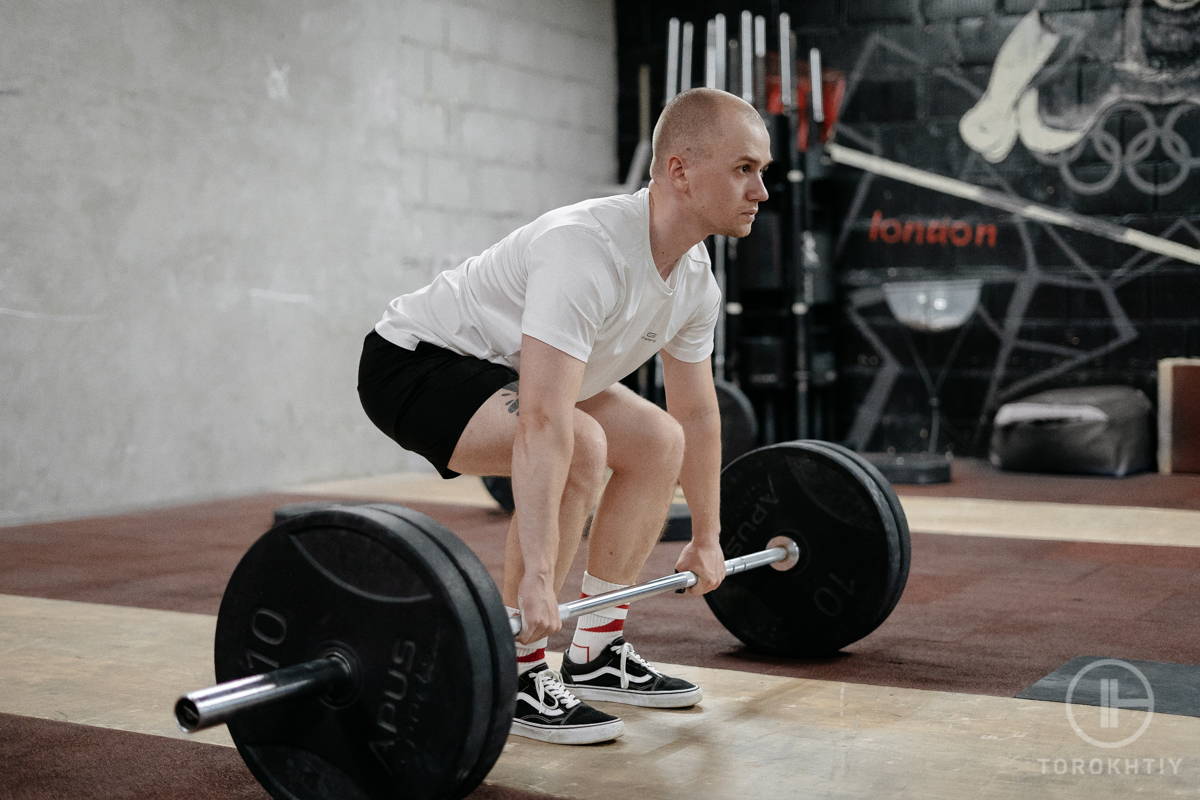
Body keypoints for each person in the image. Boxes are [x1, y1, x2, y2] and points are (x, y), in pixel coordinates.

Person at [358, 87, 771, 745]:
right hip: (415, 363)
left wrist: (709, 537)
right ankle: (520, 670)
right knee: (580, 441)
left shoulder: (695, 282)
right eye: (744, 169)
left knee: (658, 441)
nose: (761, 191)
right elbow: (546, 421)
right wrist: (541, 585)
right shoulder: (587, 248)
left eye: (762, 173)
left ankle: (596, 653)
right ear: (680, 171)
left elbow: (695, 412)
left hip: (513, 367)